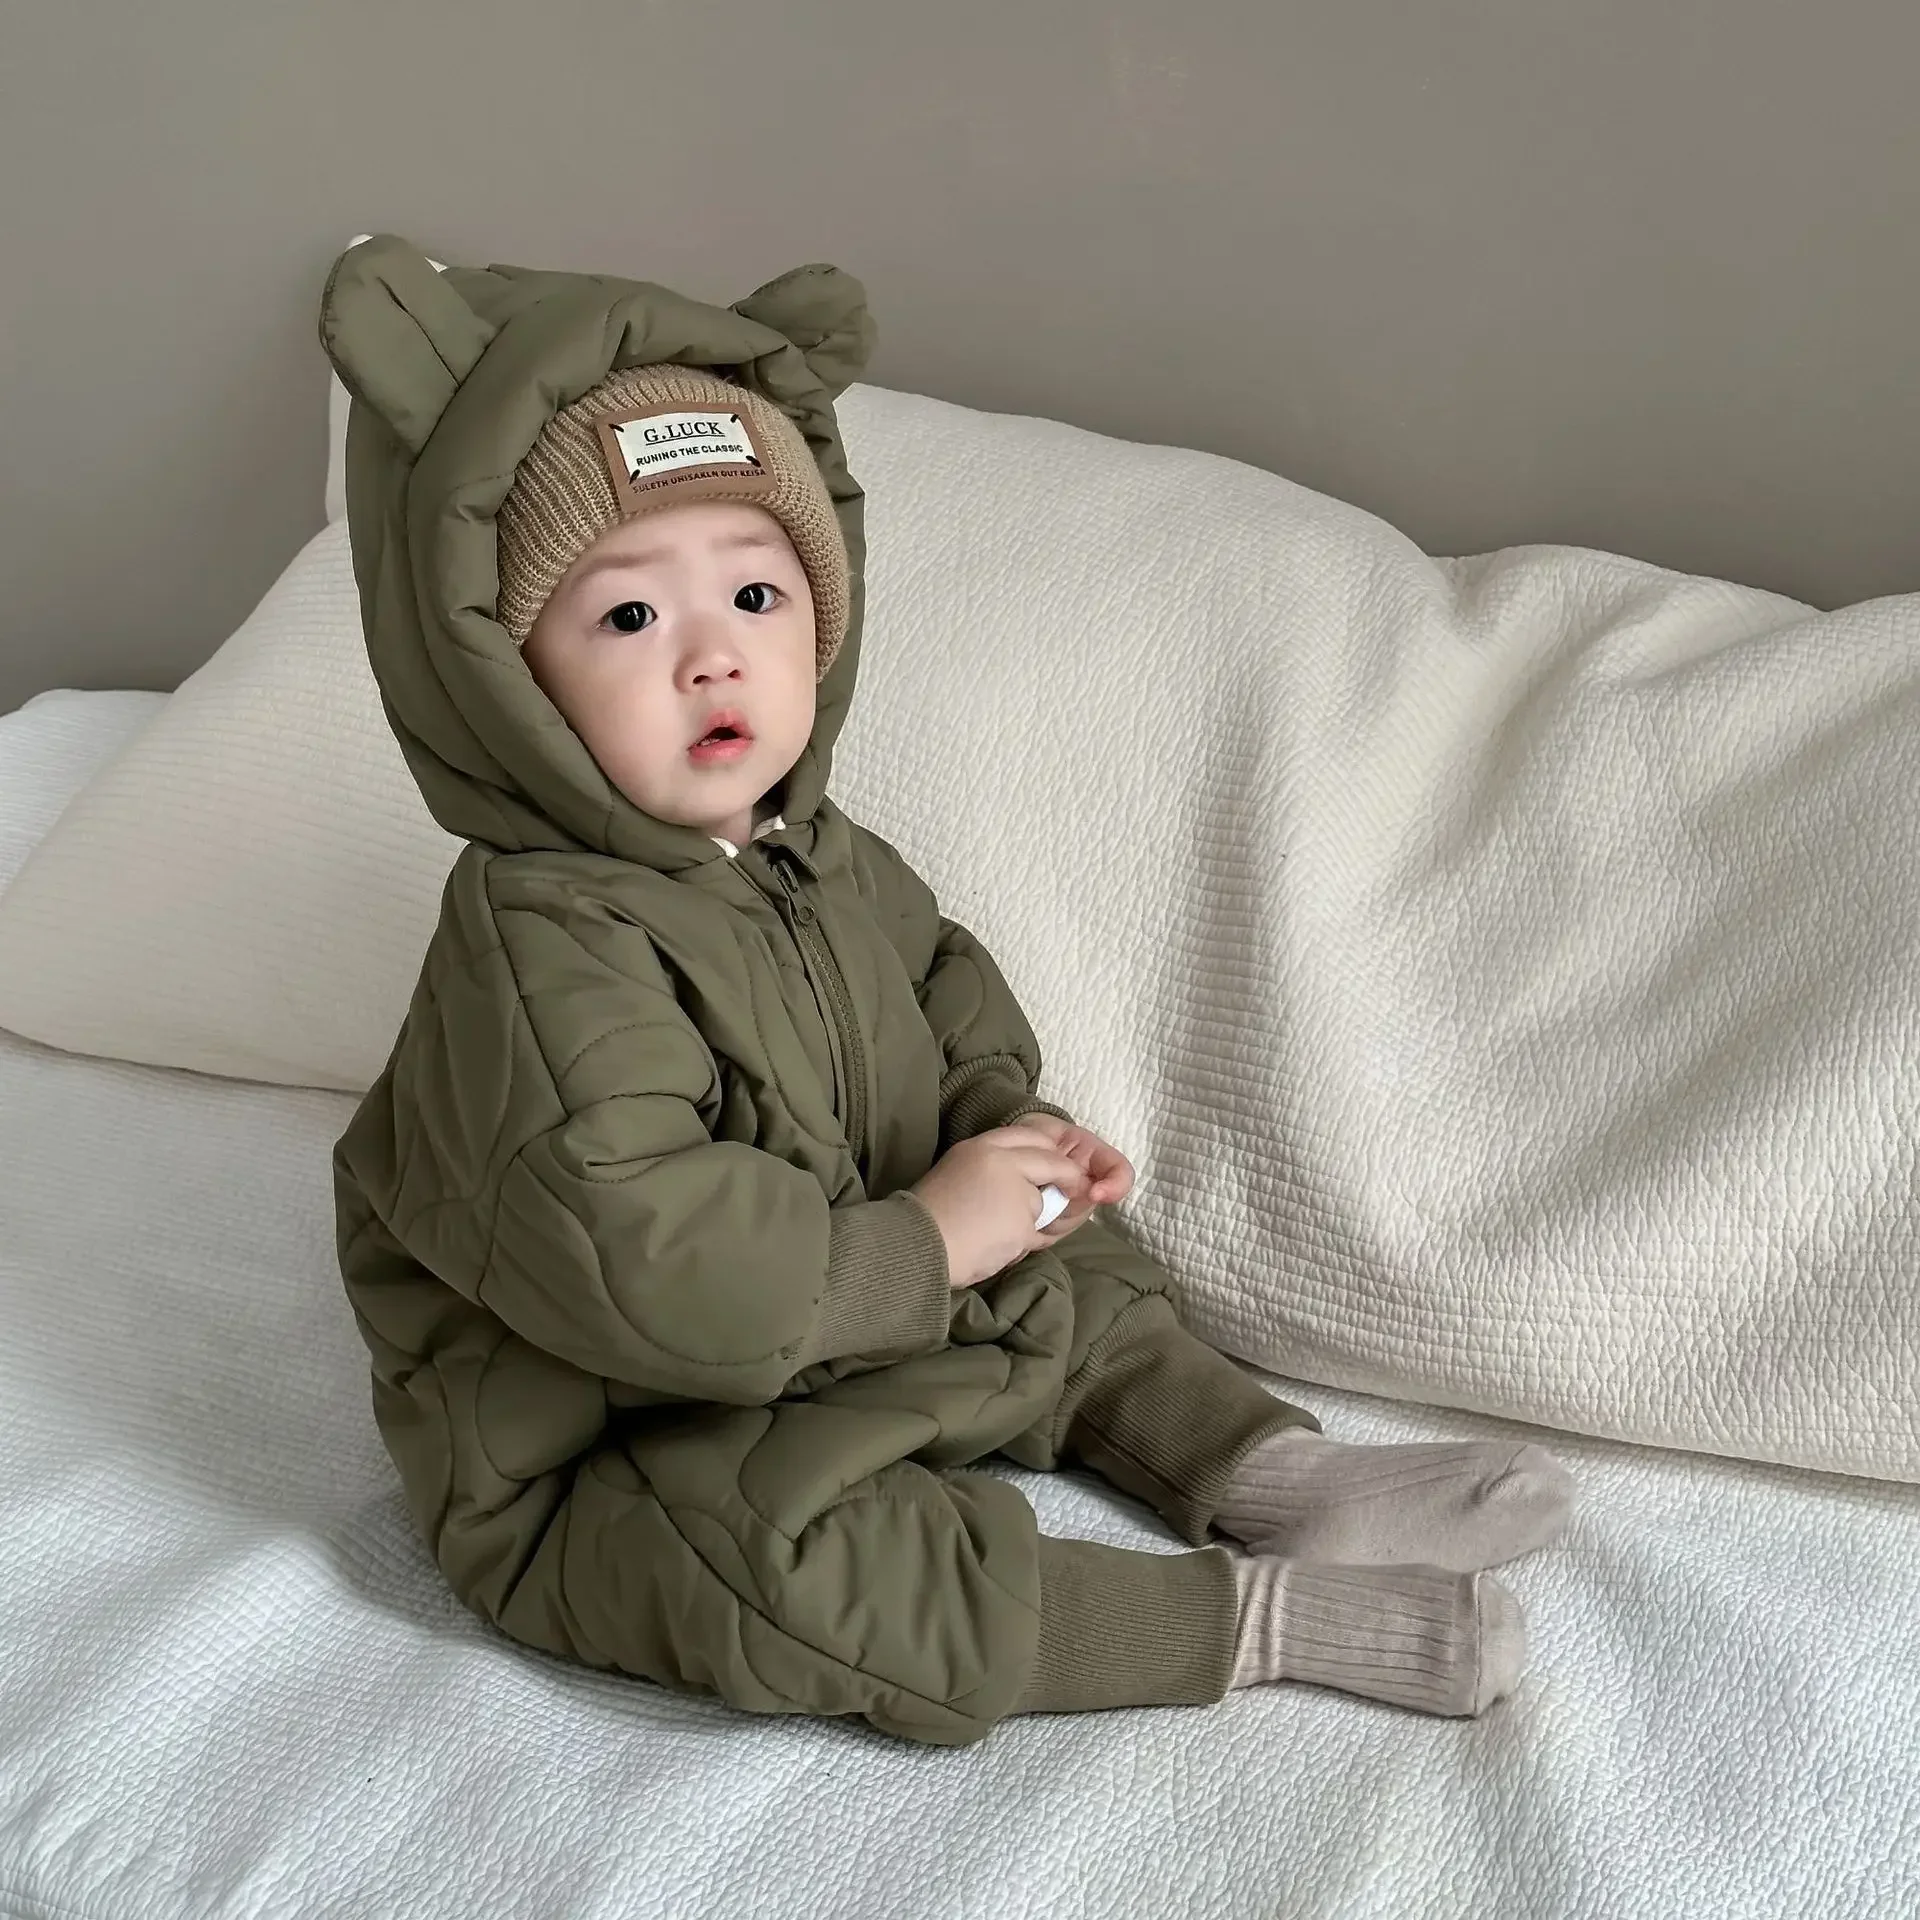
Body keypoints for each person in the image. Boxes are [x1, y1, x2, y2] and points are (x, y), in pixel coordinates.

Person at [321, 236, 1573, 1748]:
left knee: (1081, 1267)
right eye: (630, 619)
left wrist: (1011, 1146)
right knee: (768, 1567)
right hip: (613, 1422)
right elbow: (641, 1255)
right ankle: (1254, 1625)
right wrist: (927, 1236)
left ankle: (1270, 1479)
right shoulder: (533, 950)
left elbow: (943, 1001)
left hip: (853, 1308)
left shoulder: (827, 857)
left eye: (759, 594)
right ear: (504, 680)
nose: (713, 658)